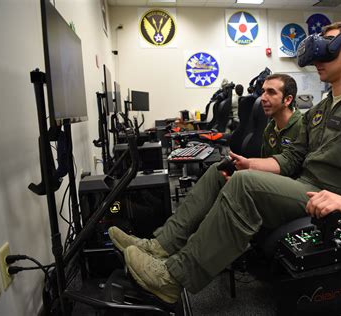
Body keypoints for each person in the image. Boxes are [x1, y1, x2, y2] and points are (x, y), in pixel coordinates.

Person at [109, 21, 341, 304]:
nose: (319, 55)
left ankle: (173, 277)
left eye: (330, 46)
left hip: (325, 198)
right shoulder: (322, 109)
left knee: (244, 184)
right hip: (301, 187)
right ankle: (160, 245)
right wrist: (251, 164)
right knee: (225, 171)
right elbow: (292, 157)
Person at [108, 73, 303, 303]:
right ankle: (161, 245)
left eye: (272, 92)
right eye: (263, 91)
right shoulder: (271, 128)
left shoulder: (300, 125)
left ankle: (173, 275)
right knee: (217, 171)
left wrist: (249, 174)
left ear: (288, 99)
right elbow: (269, 166)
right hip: (272, 185)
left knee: (240, 181)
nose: (264, 97)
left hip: (290, 193)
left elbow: (290, 168)